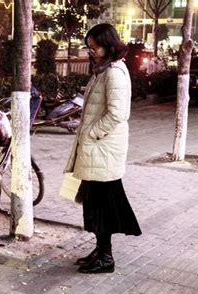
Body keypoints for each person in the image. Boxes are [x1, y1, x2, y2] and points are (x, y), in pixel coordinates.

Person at [64, 23, 142, 274]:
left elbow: (118, 113)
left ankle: (106, 256)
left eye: (94, 47)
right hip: (97, 150)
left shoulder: (114, 73)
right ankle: (100, 250)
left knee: (102, 206)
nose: (90, 52)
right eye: (89, 47)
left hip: (103, 150)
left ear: (108, 46)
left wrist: (91, 133)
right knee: (95, 204)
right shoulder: (103, 70)